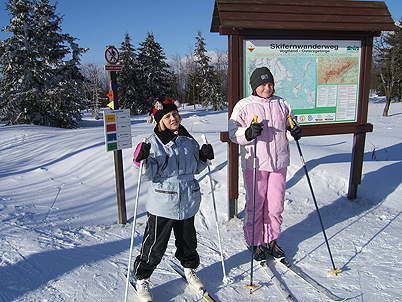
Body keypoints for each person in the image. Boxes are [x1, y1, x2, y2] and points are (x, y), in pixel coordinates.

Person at [131, 98, 214, 301]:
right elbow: (146, 175)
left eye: (175, 114)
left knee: (188, 241)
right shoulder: (153, 142)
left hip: (188, 200)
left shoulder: (188, 139)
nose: (173, 118)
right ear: (160, 120)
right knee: (155, 245)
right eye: (167, 116)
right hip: (163, 204)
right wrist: (140, 160)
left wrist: (204, 157)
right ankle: (142, 277)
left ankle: (189, 269)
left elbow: (195, 169)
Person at [228, 67, 302, 261]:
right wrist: (247, 133)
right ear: (254, 86)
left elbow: (289, 127)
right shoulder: (244, 105)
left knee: (276, 205)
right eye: (262, 84)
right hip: (256, 164)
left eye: (269, 84)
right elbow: (232, 132)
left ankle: (271, 239)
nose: (267, 88)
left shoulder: (282, 104)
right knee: (256, 204)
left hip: (279, 162)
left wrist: (293, 133)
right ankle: (254, 241)